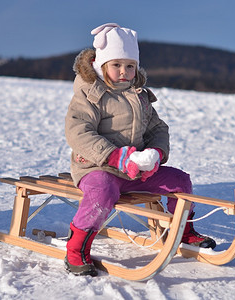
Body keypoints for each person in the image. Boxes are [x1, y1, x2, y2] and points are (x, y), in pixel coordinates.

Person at [64, 23, 216, 277]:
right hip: (98, 168)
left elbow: (158, 128)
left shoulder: (140, 95)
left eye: (130, 65)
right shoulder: (91, 94)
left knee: (180, 180)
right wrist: (116, 156)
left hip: (136, 171)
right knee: (101, 192)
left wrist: (156, 152)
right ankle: (76, 249)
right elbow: (78, 132)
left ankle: (184, 232)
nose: (124, 71)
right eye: (116, 65)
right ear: (102, 65)